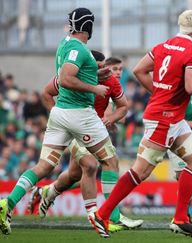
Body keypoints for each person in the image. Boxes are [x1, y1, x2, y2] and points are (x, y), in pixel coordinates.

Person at [88, 10, 192, 238]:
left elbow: (138, 70)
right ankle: (102, 215)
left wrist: (160, 92)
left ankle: (181, 218)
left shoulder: (162, 46)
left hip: (172, 117)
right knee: (141, 171)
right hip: (164, 119)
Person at [0, 7, 113, 236]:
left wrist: (95, 75)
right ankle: (109, 216)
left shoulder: (65, 44)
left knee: (44, 166)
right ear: (89, 26)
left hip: (60, 113)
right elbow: (66, 78)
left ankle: (7, 204)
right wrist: (95, 88)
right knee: (110, 161)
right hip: (80, 114)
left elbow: (72, 74)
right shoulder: (79, 49)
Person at [27, 51, 143, 232]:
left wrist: (110, 119)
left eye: (120, 69)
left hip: (93, 132)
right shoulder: (78, 78)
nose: (117, 72)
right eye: (113, 68)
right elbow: (48, 92)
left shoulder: (112, 84)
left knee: (75, 175)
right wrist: (57, 117)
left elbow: (121, 108)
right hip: (74, 128)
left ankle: (46, 192)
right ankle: (103, 216)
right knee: (90, 166)